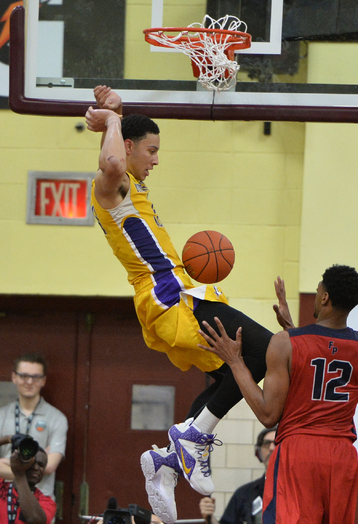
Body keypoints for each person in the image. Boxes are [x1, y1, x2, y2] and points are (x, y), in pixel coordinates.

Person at [85, 86, 274, 520]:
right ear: (130, 147)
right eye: (151, 150)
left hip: (173, 292)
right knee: (266, 350)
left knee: (235, 371)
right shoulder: (109, 184)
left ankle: (169, 462)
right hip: (169, 294)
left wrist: (117, 115)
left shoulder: (126, 183)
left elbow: (117, 156)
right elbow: (111, 160)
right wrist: (114, 121)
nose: (156, 159)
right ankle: (191, 439)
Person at [197, 264, 358, 524]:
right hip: (342, 456)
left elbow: (268, 414)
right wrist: (293, 329)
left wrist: (235, 362)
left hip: (299, 451)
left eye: (318, 292)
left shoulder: (286, 342)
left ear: (324, 298)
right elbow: (327, 354)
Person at [0, 353, 67, 500]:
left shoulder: (57, 418)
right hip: (3, 499)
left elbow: (49, 465)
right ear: (14, 377)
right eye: (24, 376)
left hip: (40, 504)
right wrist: (34, 465)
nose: (29, 381)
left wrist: (7, 462)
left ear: (43, 380)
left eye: (36, 377)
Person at [199, 427, 277, 524]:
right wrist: (210, 519)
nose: (272, 448)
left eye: (277, 444)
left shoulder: (297, 491)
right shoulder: (244, 494)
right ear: (258, 452)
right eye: (266, 444)